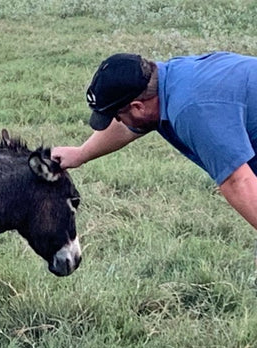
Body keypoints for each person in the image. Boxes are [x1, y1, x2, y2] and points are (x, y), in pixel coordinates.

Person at [51, 51, 257, 230]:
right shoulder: (166, 81)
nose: (117, 121)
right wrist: (81, 153)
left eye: (116, 115)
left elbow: (238, 181)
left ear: (138, 107)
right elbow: (129, 127)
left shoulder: (192, 111)